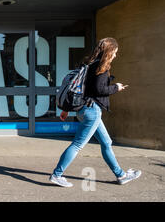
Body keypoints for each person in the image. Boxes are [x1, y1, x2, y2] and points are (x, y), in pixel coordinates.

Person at [49, 37, 141, 187]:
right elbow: (99, 90)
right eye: (115, 52)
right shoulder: (102, 66)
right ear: (109, 51)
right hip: (92, 111)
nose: (116, 55)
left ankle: (121, 175)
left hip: (83, 109)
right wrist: (116, 87)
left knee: (106, 142)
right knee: (78, 144)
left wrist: (66, 109)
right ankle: (57, 174)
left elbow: (79, 88)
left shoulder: (88, 64)